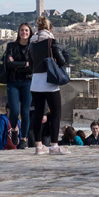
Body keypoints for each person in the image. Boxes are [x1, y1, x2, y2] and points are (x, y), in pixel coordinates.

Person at [30, 16, 68, 155]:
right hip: (49, 81)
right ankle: (53, 145)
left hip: (35, 82)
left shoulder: (32, 42)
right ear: (50, 28)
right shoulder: (51, 41)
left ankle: (39, 146)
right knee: (56, 113)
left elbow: (30, 62)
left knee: (38, 114)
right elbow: (62, 61)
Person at [3, 23, 34, 146]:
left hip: (27, 82)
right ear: (18, 32)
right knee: (14, 111)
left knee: (25, 112)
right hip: (13, 82)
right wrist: (24, 64)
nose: (24, 32)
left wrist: (16, 64)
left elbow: (31, 66)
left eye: (26, 30)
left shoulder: (32, 47)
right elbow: (8, 64)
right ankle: (15, 129)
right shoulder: (11, 46)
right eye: (22, 30)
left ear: (30, 32)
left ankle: (24, 138)